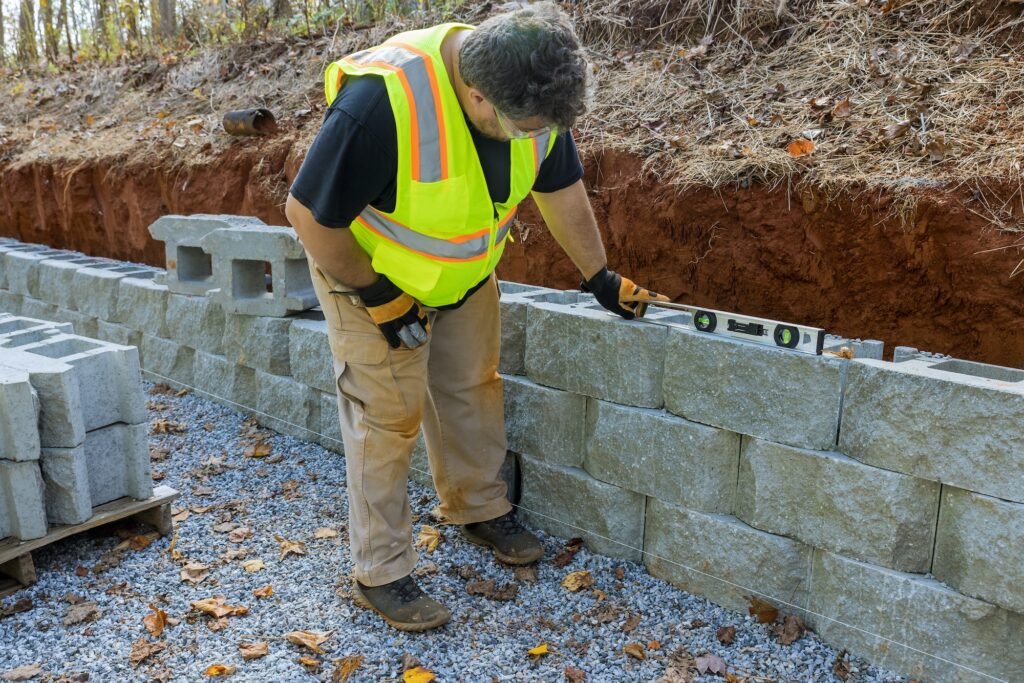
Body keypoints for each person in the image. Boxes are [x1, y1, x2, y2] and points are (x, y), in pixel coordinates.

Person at [285, 1, 668, 632]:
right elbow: (309, 217)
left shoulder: (532, 94)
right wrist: (380, 296)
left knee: (470, 388)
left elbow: (560, 185)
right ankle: (380, 571)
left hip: (462, 277)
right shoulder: (380, 104)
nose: (533, 137)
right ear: (476, 95)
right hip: (366, 273)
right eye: (523, 127)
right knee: (388, 418)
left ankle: (476, 507)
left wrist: (597, 274)